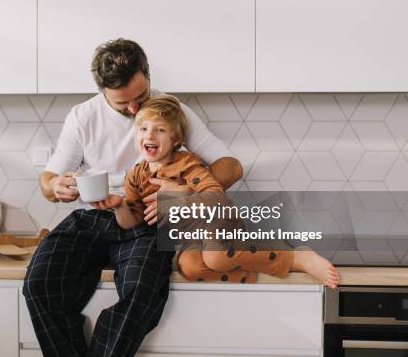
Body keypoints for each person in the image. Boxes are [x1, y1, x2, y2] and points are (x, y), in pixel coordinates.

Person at [22, 38, 243, 357]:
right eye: (122, 104)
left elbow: (231, 167)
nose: (135, 110)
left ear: (148, 75)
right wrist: (56, 186)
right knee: (38, 284)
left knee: (143, 292)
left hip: (145, 221)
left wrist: (186, 195)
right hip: (92, 218)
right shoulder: (83, 116)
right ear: (102, 92)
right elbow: (47, 181)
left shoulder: (170, 110)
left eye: (140, 97)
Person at [92, 95, 340, 288]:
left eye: (160, 130)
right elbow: (131, 222)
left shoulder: (187, 163)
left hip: (218, 224)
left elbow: (218, 200)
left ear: (176, 139)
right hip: (192, 239)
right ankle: (257, 269)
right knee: (189, 267)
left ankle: (297, 258)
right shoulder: (136, 175)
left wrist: (180, 197)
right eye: (143, 129)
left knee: (216, 258)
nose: (150, 135)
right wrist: (119, 205)